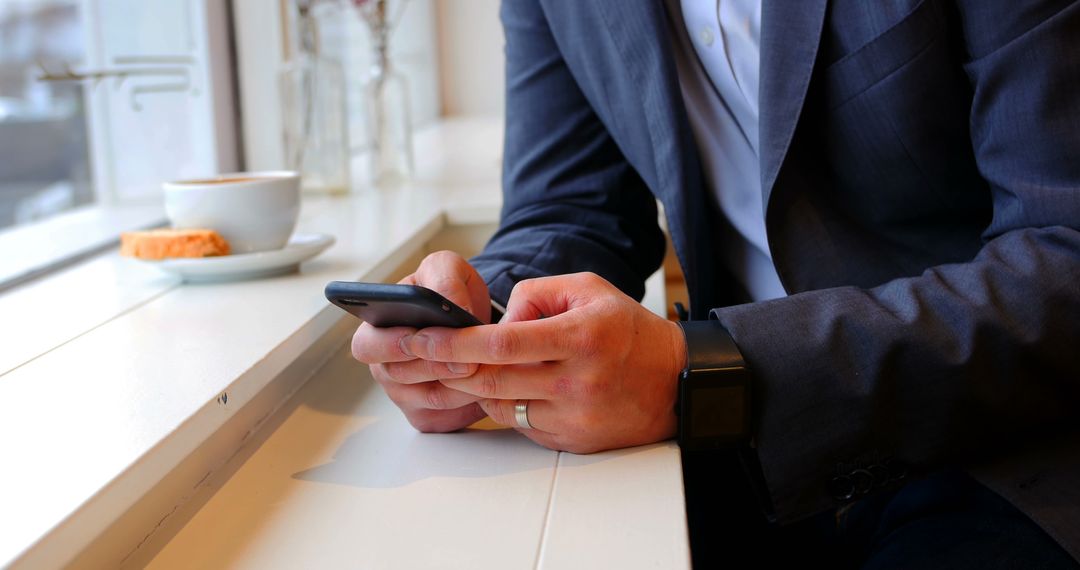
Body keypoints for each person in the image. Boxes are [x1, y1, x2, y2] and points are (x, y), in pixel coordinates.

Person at [351, 0, 1080, 567]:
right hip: (744, 458)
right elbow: (572, 204)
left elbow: (1066, 253)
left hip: (1010, 446)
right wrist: (485, 324)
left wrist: (705, 372)